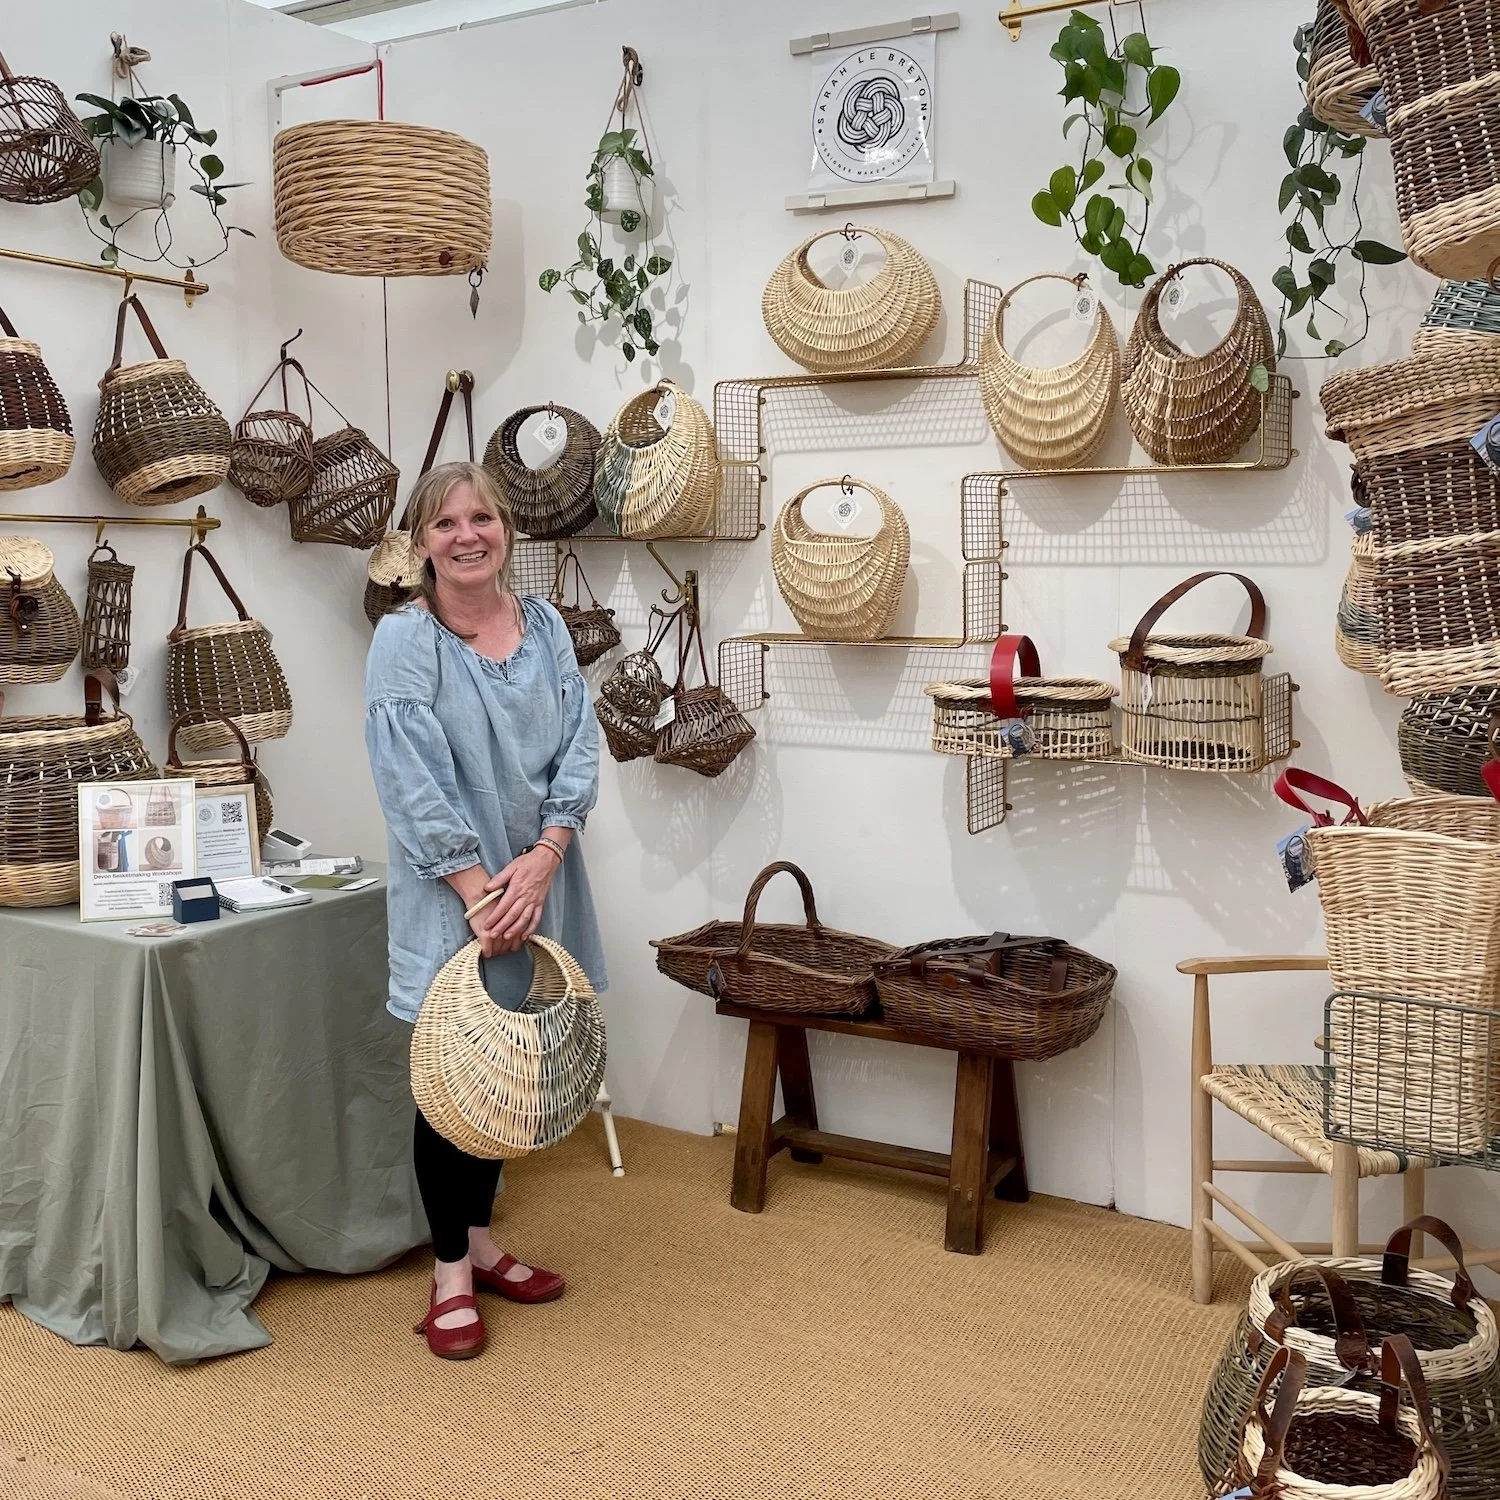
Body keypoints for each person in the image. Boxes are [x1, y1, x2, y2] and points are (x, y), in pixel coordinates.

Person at [364, 460, 606, 1360]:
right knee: (449, 1076)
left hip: (542, 877)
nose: (466, 536)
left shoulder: (543, 626)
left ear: (506, 530)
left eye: (482, 519)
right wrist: (479, 889)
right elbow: (409, 779)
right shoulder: (405, 640)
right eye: (444, 524)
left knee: (511, 1060)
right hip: (452, 895)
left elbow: (580, 746)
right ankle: (450, 1275)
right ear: (419, 544)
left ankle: (485, 1242)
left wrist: (545, 857)